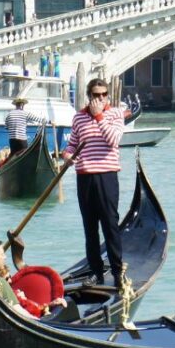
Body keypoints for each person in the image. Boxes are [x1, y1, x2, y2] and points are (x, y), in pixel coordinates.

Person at [63, 77, 126, 285]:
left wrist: (99, 117)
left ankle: (118, 272)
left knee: (110, 225)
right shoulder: (79, 118)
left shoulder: (116, 114)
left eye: (104, 95)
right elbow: (72, 145)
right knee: (90, 228)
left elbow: (113, 140)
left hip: (107, 176)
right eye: (96, 95)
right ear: (89, 96)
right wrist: (67, 156)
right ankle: (96, 273)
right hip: (84, 177)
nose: (100, 98)